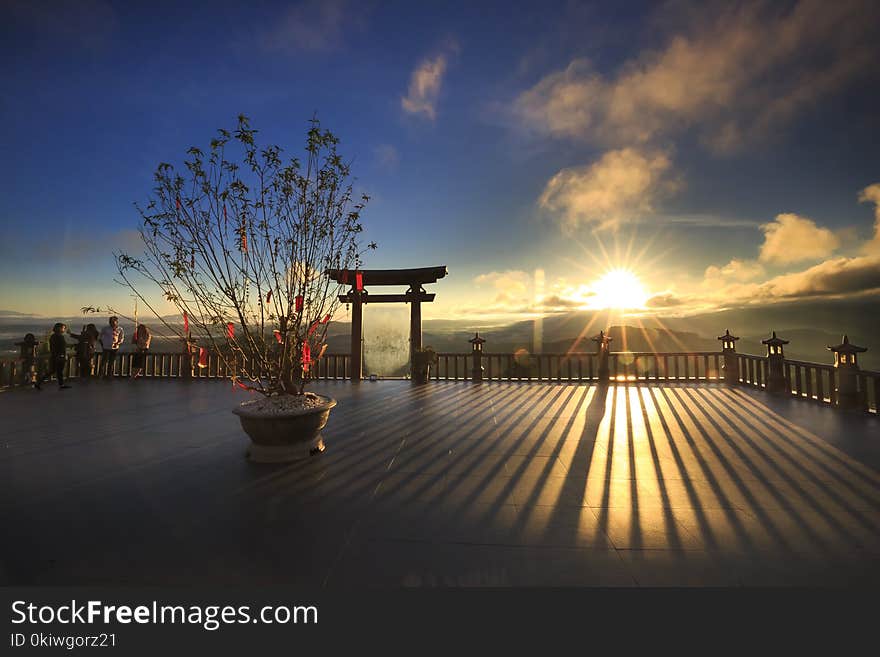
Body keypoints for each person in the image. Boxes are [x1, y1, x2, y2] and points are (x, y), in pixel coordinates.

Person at [36, 323, 71, 390]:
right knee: (55, 371)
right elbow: (57, 347)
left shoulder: (55, 336)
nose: (64, 329)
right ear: (59, 328)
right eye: (63, 328)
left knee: (55, 371)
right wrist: (59, 355)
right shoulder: (57, 336)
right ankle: (39, 382)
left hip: (57, 356)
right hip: (58, 356)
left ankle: (39, 382)